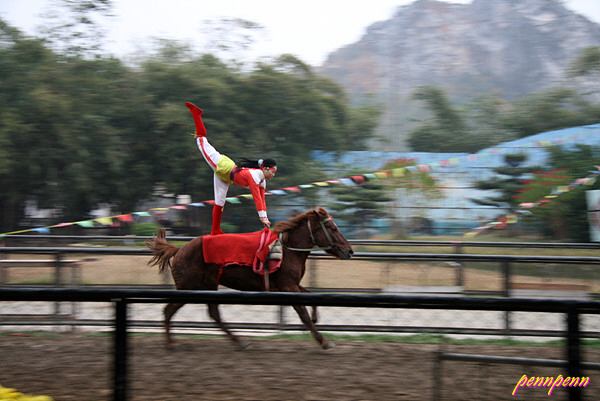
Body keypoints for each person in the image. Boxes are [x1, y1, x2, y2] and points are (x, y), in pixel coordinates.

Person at [185, 102, 277, 235]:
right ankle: (196, 114)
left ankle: (215, 230)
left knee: (219, 202)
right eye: (273, 172)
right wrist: (262, 217)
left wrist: (265, 217)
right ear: (266, 169)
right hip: (222, 166)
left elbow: (262, 199)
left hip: (226, 178)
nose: (273, 175)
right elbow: (256, 197)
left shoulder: (262, 181)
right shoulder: (255, 176)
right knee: (201, 140)